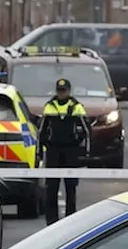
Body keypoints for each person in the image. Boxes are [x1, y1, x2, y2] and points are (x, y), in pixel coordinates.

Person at [37, 78, 91, 225]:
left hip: (71, 152)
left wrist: (85, 154)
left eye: (64, 91)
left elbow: (87, 132)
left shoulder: (76, 107)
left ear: (69, 91)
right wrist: (39, 154)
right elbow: (41, 133)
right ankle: (51, 222)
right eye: (60, 91)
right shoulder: (49, 107)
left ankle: (70, 221)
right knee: (51, 189)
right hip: (54, 151)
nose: (62, 94)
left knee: (71, 188)